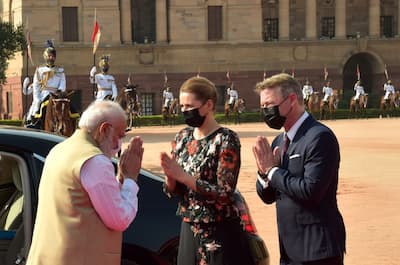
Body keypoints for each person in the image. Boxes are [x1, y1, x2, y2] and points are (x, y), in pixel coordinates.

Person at [26, 100, 144, 265]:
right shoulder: (95, 160)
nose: (118, 145)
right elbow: (119, 218)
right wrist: (131, 179)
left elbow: (93, 198)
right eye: (119, 136)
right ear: (104, 129)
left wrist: (121, 179)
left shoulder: (59, 149)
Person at [252, 73, 346, 265]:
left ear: (292, 100)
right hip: (289, 250)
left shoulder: (319, 137)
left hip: (317, 251)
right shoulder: (280, 140)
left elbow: (311, 191)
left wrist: (272, 171)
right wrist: (264, 174)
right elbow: (269, 196)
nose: (266, 111)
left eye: (269, 104)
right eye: (262, 107)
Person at [160, 76, 253, 265]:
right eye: (182, 106)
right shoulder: (182, 138)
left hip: (218, 231)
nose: (184, 111)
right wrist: (171, 179)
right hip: (189, 228)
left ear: (208, 105)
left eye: (189, 106)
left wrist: (184, 177)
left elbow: (225, 192)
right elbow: (174, 191)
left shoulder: (226, 139)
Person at [26, 41, 66, 126]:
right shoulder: (40, 70)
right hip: (43, 94)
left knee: (68, 107)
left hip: (56, 94)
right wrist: (37, 98)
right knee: (37, 108)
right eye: (49, 56)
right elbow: (36, 85)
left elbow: (62, 83)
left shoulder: (60, 70)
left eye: (53, 56)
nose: (51, 58)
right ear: (45, 56)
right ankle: (33, 124)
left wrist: (60, 92)